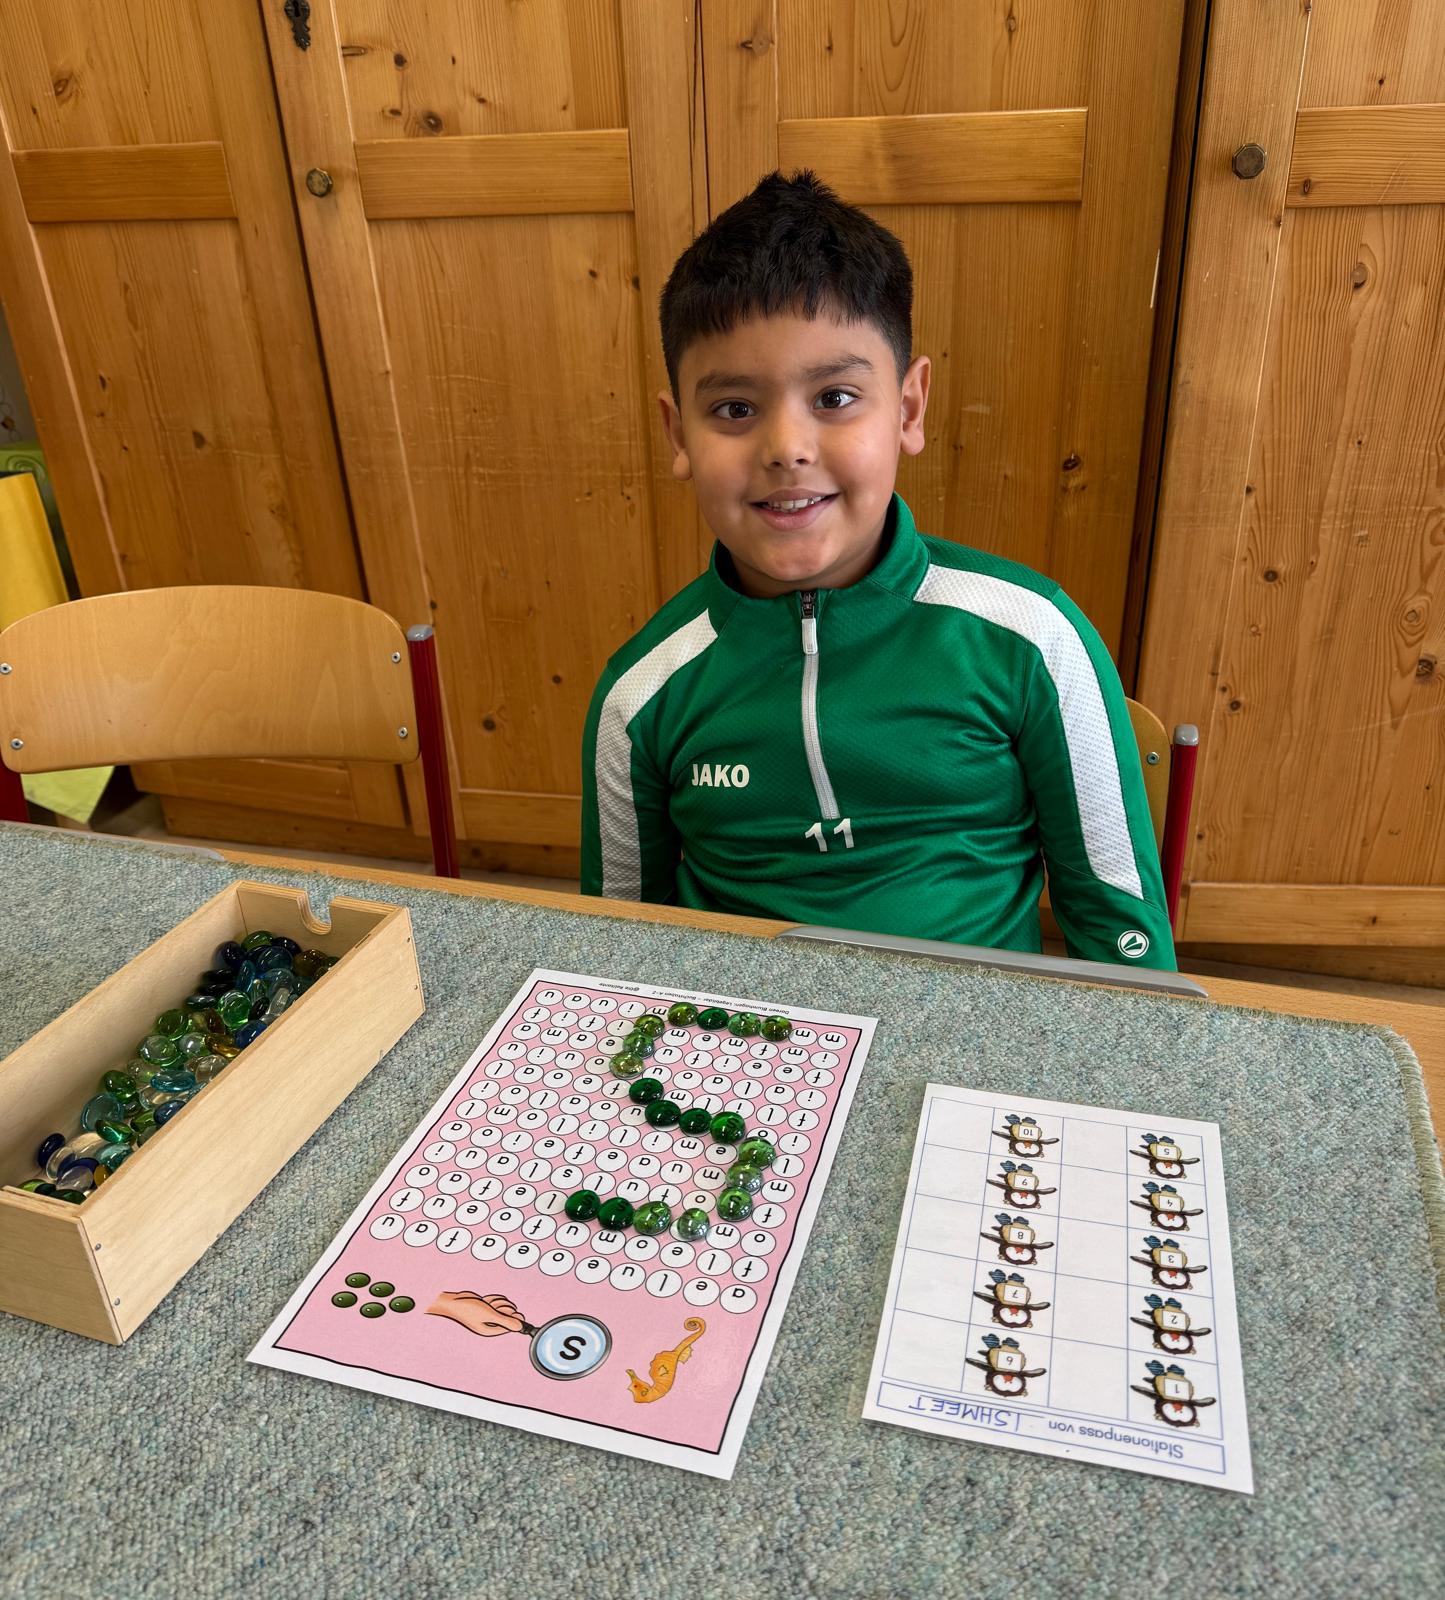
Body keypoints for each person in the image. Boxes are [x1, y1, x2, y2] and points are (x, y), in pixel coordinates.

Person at [581, 170, 1176, 971]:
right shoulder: (639, 696)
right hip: (740, 1033)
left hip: (970, 1033)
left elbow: (1122, 941)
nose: (786, 449)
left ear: (908, 407)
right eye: (733, 409)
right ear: (677, 433)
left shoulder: (1032, 638)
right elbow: (618, 953)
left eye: (834, 397)